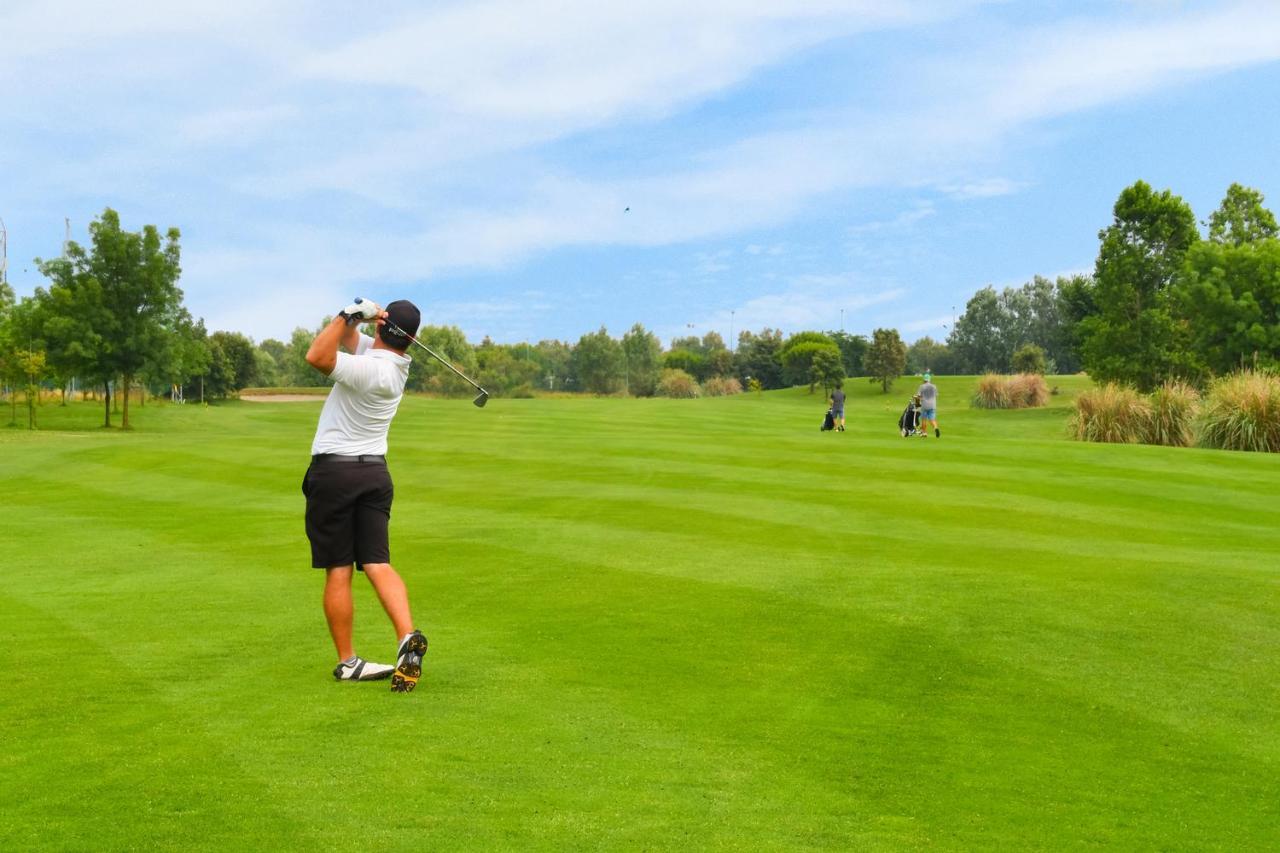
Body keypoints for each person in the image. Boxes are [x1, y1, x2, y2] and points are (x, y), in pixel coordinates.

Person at [303, 297, 429, 693]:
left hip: (335, 473)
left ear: (382, 327)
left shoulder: (371, 369)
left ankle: (348, 662)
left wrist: (346, 313)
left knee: (339, 568)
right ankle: (406, 637)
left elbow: (318, 355)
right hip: (374, 472)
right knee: (377, 562)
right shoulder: (394, 364)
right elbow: (349, 340)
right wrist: (357, 319)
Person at [917, 371, 939, 438]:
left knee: (924, 419)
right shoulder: (934, 386)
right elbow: (936, 395)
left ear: (924, 379)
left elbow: (918, 396)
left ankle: (924, 433)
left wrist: (918, 401)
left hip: (924, 405)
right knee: (932, 419)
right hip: (932, 405)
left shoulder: (921, 386)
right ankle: (935, 428)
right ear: (929, 379)